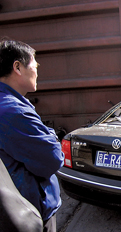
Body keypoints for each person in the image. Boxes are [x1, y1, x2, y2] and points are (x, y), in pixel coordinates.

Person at [0, 38, 64, 231]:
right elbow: (53, 158)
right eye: (34, 65)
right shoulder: (12, 111)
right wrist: (51, 135)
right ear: (17, 67)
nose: (37, 71)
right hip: (31, 213)